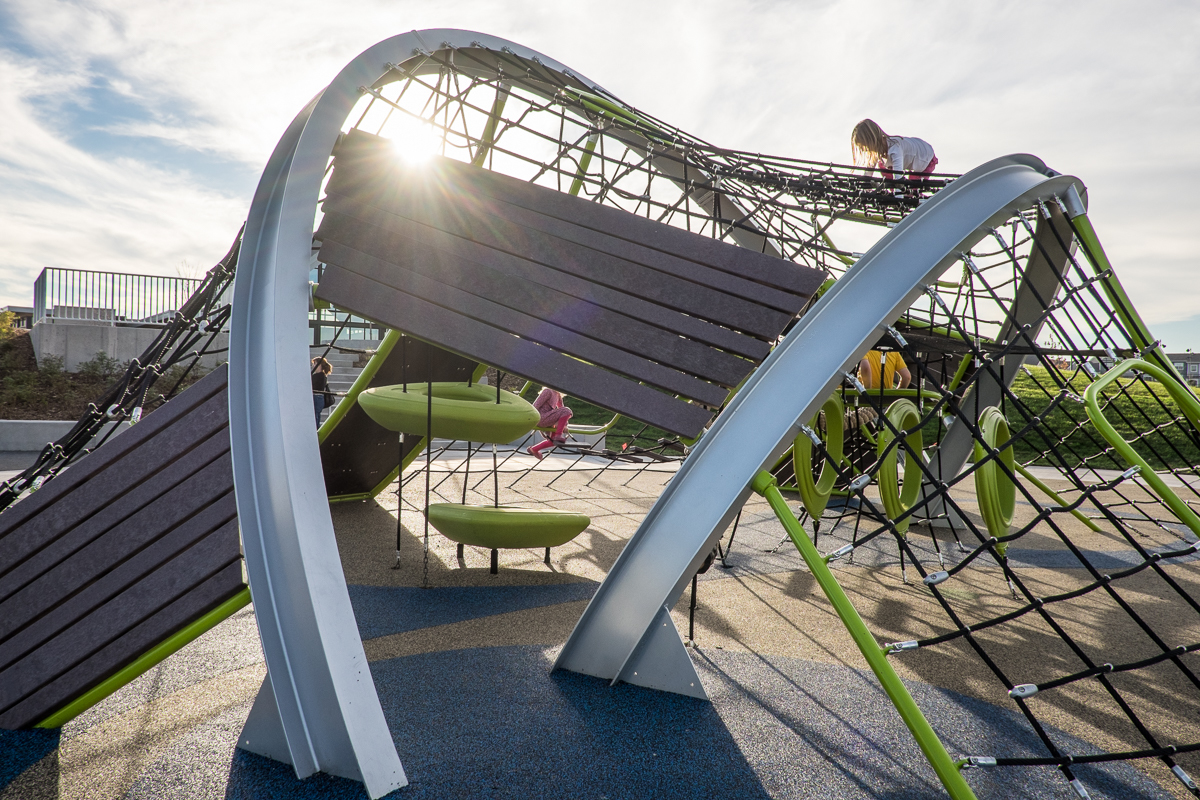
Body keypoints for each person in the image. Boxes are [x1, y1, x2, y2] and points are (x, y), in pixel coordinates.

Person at [850, 119, 938, 181]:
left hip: (925, 157)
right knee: (883, 166)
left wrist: (899, 196)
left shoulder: (895, 149)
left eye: (865, 147)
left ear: (872, 142)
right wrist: (865, 189)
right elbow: (868, 175)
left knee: (913, 186)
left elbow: (898, 179)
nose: (865, 151)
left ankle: (906, 195)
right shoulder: (877, 151)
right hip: (912, 154)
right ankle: (894, 192)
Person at [527, 386, 572, 460]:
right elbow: (535, 406)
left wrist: (565, 425)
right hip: (542, 417)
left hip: (549, 418)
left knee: (552, 441)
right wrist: (532, 419)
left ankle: (534, 449)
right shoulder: (548, 391)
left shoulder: (557, 394)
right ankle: (558, 435)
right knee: (567, 410)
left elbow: (561, 408)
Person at [311, 357, 334, 425]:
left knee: (315, 417)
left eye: (314, 364)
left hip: (316, 397)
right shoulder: (323, 376)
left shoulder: (318, 376)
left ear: (319, 365)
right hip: (320, 398)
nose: (313, 366)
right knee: (317, 416)